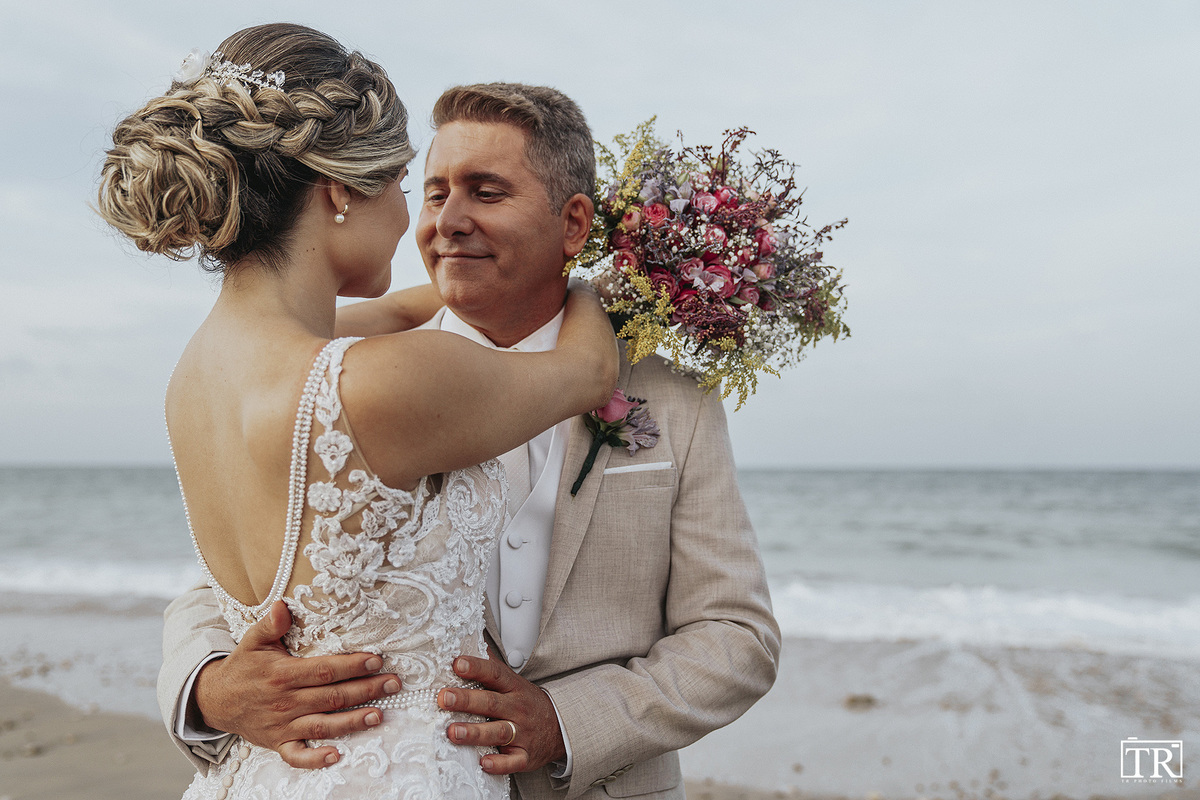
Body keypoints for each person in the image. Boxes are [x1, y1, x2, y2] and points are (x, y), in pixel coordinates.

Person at [159, 82, 782, 798]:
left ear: (574, 224)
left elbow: (737, 637)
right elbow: (233, 578)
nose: (447, 221)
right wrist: (207, 690)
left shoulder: (677, 402)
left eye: (486, 192)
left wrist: (567, 722)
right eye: (431, 194)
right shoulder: (349, 374)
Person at [100, 26, 618, 799]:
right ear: (341, 189)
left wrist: (470, 274)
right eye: (408, 182)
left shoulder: (199, 371)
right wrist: (586, 269)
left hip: (271, 770)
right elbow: (587, 369)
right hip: (398, 771)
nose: (423, 217)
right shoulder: (386, 381)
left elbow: (392, 314)